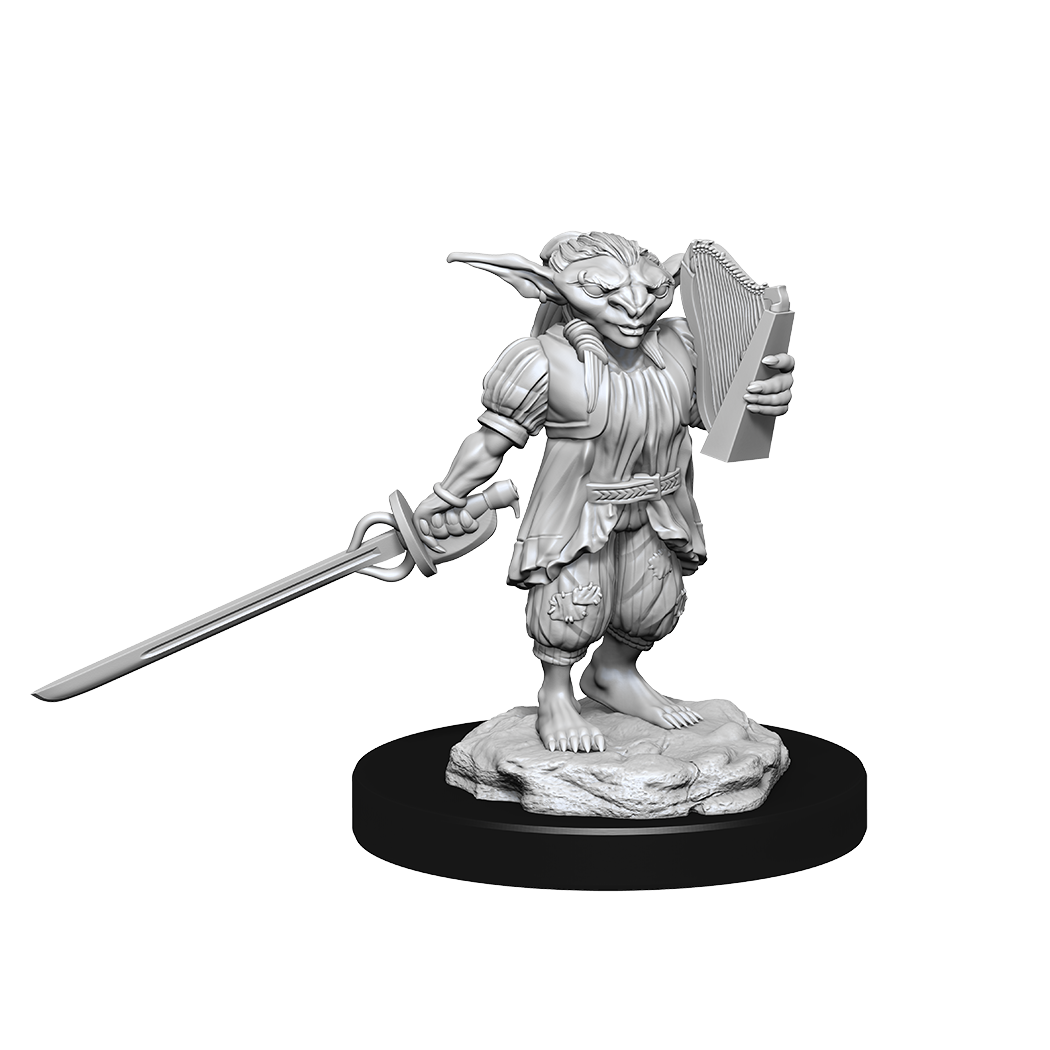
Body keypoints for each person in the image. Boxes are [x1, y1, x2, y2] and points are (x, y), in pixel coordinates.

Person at [414, 232, 794, 753]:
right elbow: (490, 440)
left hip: (660, 504)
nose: (635, 308)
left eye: (652, 292)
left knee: (652, 605)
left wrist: (766, 394)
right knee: (570, 607)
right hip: (579, 510)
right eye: (604, 293)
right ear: (550, 288)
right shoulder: (542, 359)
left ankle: (613, 674)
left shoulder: (681, 346)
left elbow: (711, 414)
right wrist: (447, 495)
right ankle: (555, 694)